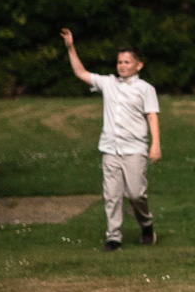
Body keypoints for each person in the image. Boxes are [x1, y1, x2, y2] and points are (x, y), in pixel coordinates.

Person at [60, 29, 161, 251]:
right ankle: (113, 237)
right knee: (112, 195)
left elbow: (152, 116)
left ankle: (146, 223)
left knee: (136, 194)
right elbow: (81, 73)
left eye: (127, 62)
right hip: (110, 149)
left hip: (134, 149)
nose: (122, 66)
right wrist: (70, 47)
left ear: (138, 65)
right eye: (119, 62)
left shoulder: (145, 89)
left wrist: (155, 145)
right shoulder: (108, 83)